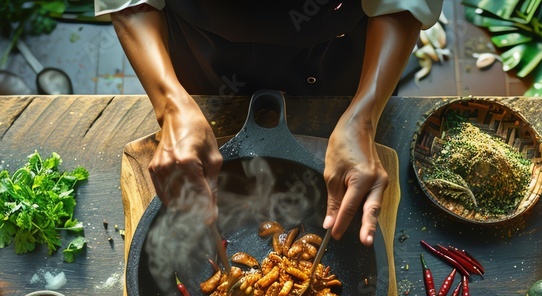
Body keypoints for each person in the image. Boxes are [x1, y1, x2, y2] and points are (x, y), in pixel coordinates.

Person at [96, 0, 443, 246]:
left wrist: (363, 118)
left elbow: (402, 3)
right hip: (204, 68)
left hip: (337, 67)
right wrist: (170, 105)